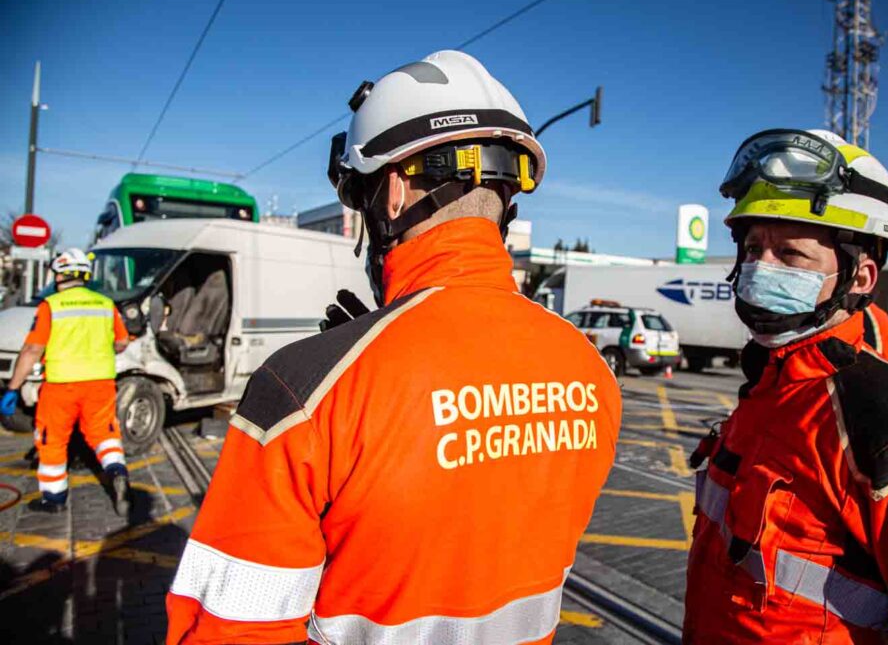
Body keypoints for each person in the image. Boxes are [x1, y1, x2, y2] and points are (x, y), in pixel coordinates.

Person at [165, 50, 621, 645]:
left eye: (361, 198)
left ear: (397, 189)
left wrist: (352, 374)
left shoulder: (301, 390)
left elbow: (230, 630)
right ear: (508, 197)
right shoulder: (591, 372)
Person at [684, 128, 888, 643]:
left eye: (790, 255)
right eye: (752, 249)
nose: (758, 268)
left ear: (861, 277)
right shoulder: (769, 387)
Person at [1, 248, 131, 515]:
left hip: (62, 386)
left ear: (59, 275)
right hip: (101, 383)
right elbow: (122, 342)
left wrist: (13, 387)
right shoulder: (106, 305)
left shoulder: (51, 306)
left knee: (53, 439)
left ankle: (54, 498)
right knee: (104, 433)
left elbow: (32, 351)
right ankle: (117, 470)